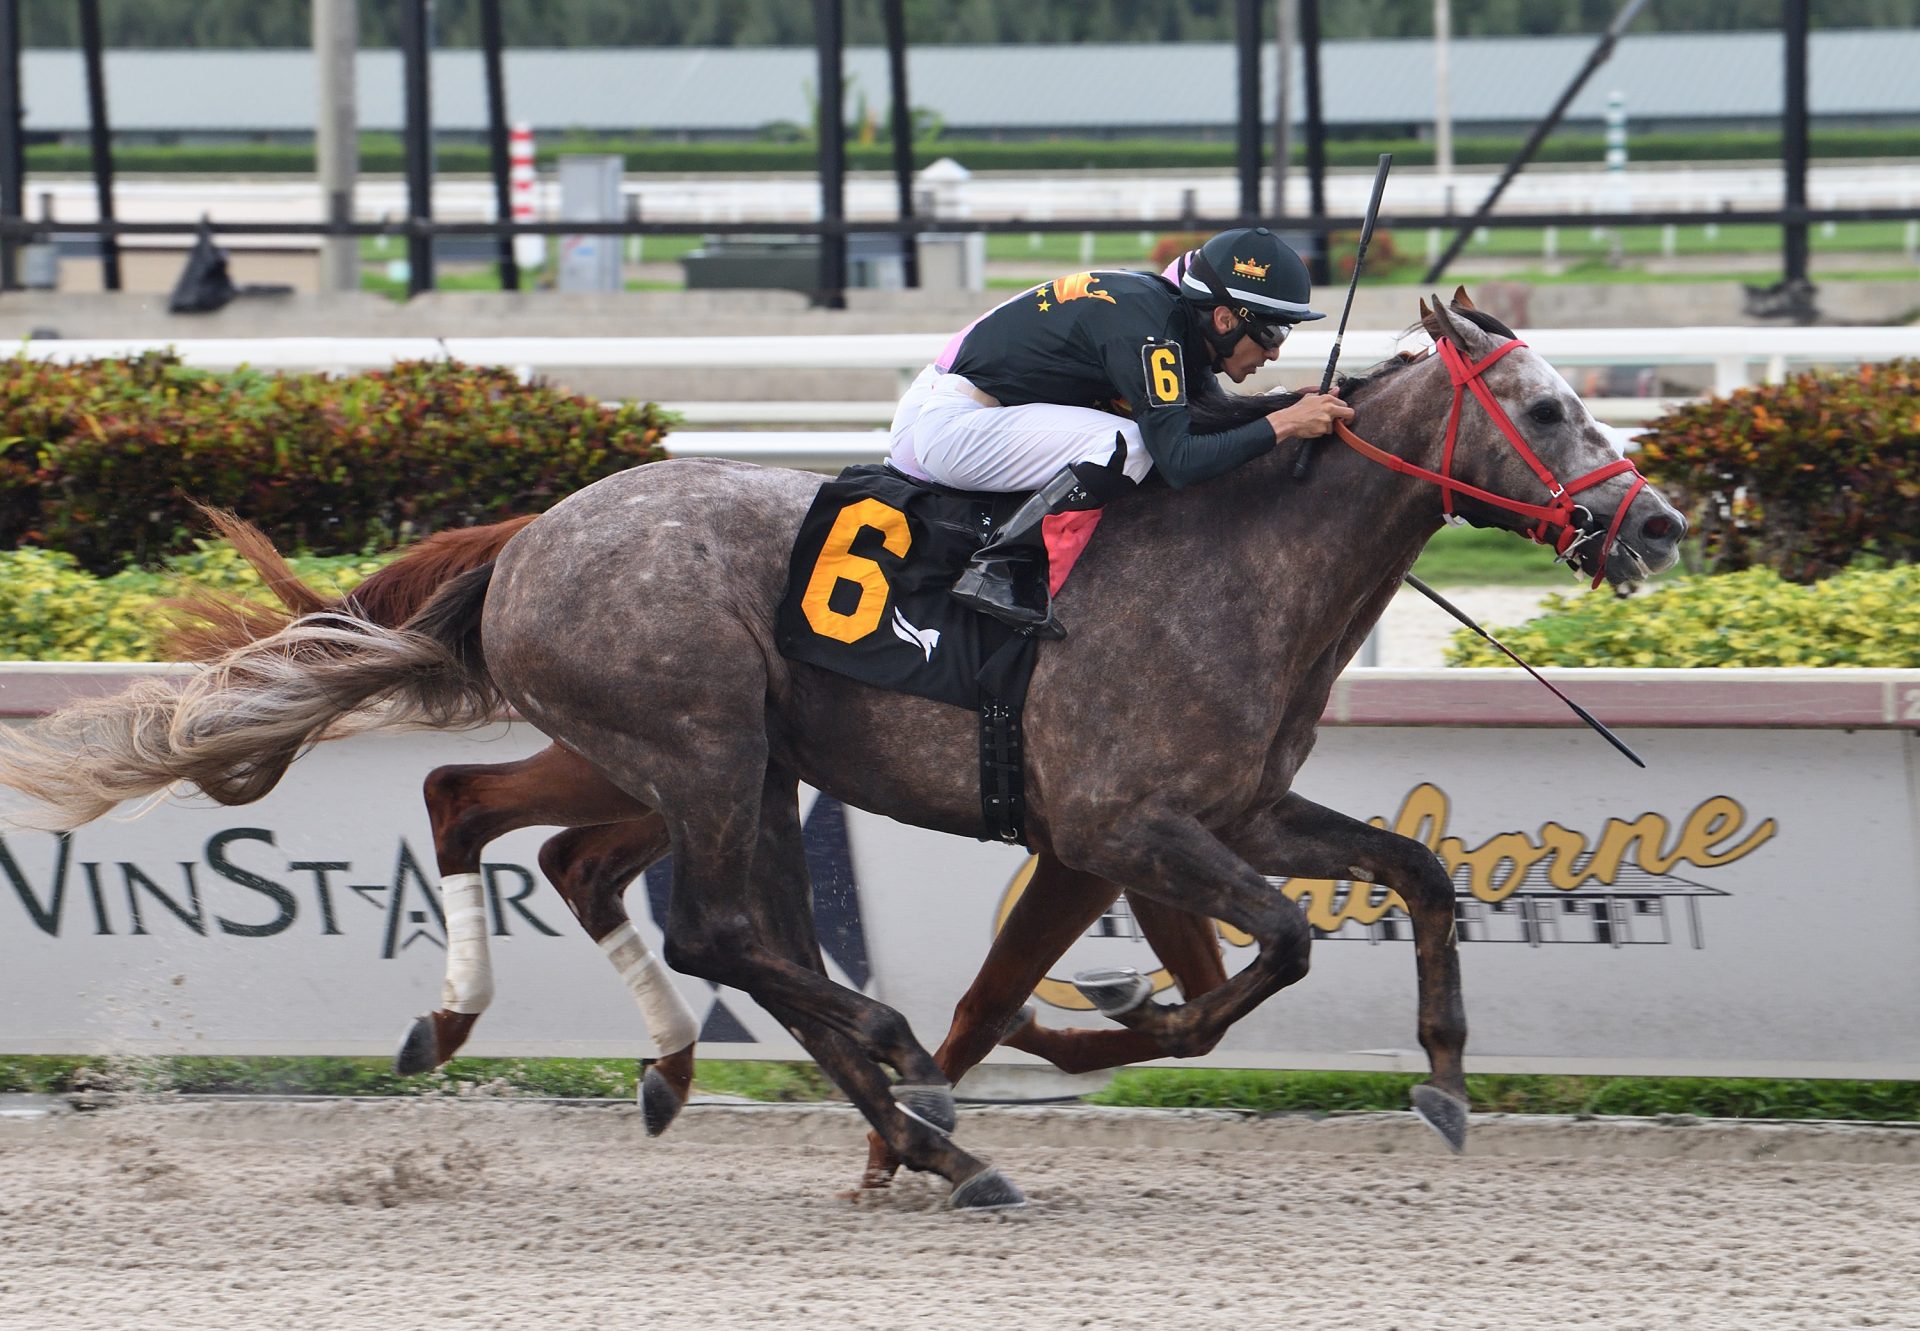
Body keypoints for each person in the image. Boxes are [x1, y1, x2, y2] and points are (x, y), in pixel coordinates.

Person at [888, 226, 1354, 638]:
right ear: (1225, 319)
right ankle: (1000, 568)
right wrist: (1284, 422)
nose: (1273, 354)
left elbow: (1206, 417)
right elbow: (1181, 460)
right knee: (1128, 445)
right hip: (948, 425)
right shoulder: (1150, 332)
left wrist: (1285, 405)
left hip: (963, 410)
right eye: (1273, 334)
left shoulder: (1166, 315)